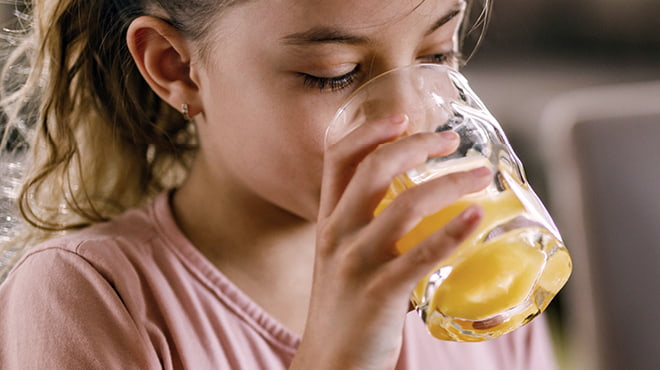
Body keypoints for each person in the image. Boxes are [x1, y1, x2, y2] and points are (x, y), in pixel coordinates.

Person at [0, 0, 558, 369]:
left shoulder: (478, 261)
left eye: (437, 55)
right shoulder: (90, 296)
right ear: (174, 67)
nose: (411, 115)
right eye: (334, 74)